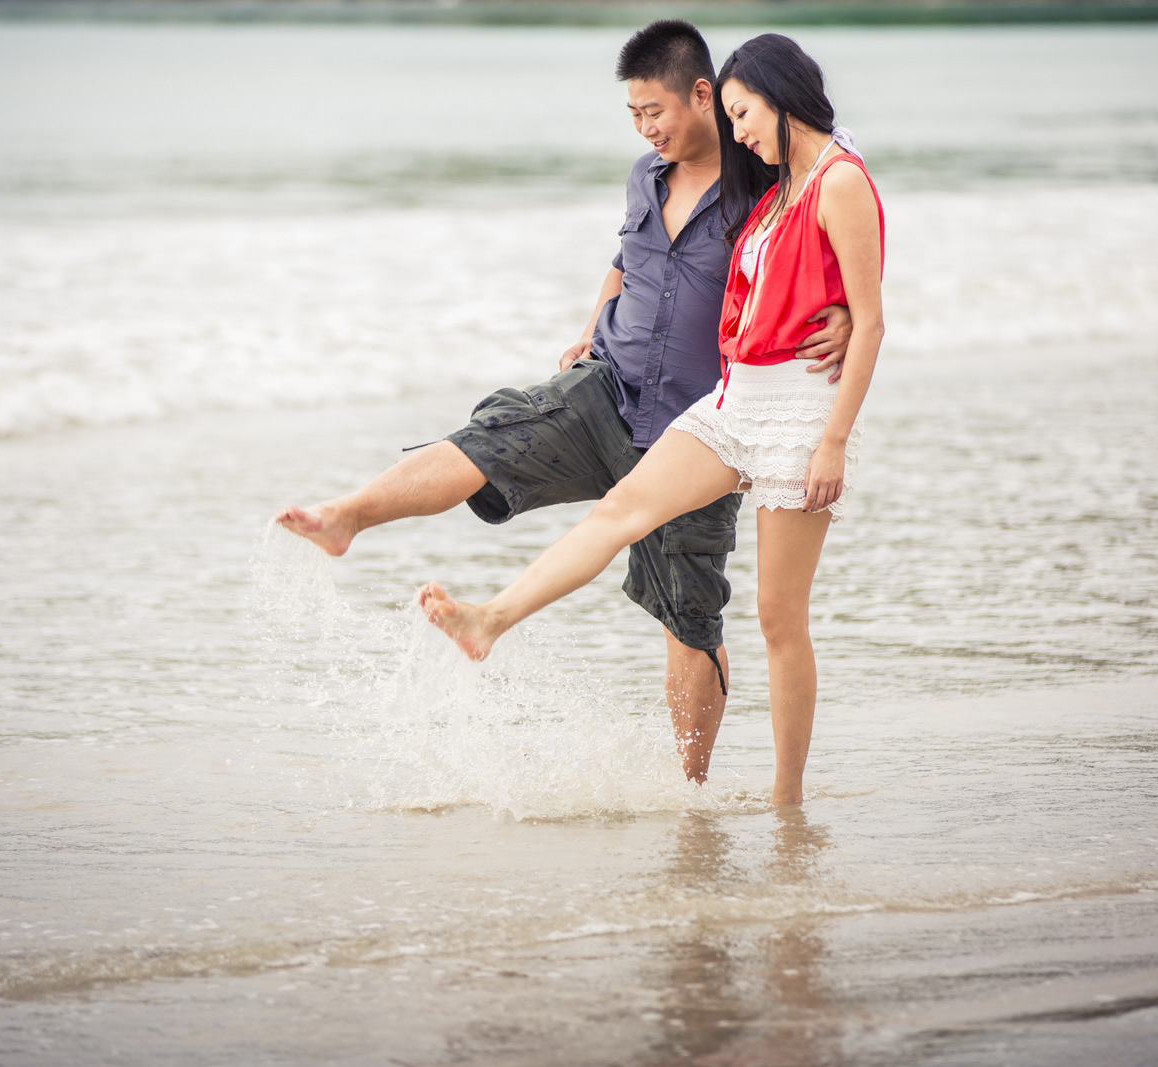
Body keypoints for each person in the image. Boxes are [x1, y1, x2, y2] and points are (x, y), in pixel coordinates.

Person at [274, 21, 851, 785]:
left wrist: (841, 313)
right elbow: (627, 261)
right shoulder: (645, 177)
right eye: (634, 116)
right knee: (494, 437)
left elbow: (834, 222)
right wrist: (587, 330)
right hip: (605, 387)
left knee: (690, 614)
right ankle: (347, 516)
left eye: (656, 111)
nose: (647, 128)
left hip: (700, 426)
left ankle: (689, 792)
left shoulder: (765, 177)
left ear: (705, 95)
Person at [418, 33, 885, 807]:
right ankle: (490, 620)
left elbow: (868, 323)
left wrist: (833, 439)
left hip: (802, 417)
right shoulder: (780, 184)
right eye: (731, 116)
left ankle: (786, 800)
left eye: (744, 115)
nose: (737, 134)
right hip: (736, 400)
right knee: (622, 508)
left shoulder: (838, 181)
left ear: (778, 98)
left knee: (778, 619)